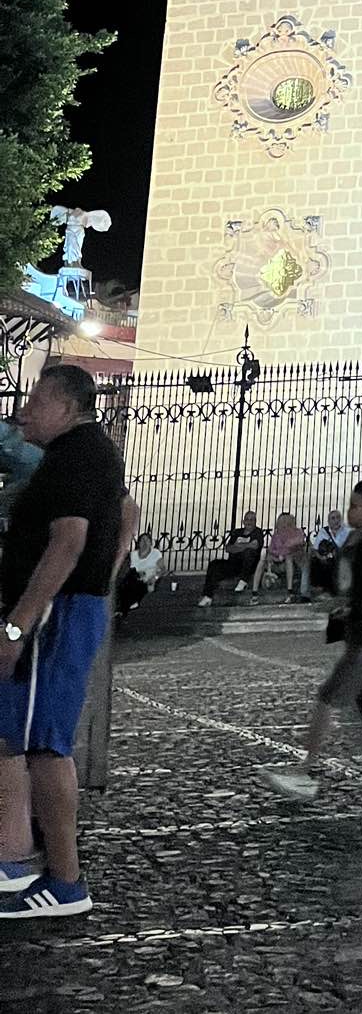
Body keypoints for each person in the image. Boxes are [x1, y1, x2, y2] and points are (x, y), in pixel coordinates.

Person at [1, 362, 136, 920]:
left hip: (53, 616)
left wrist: (18, 624)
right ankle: (23, 862)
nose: (23, 409)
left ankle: (65, 881)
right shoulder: (82, 454)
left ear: (64, 405)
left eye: (35, 398)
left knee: (45, 746)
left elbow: (69, 542)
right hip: (60, 609)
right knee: (19, 734)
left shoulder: (75, 457)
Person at [262, 477, 362, 801]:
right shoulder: (355, 542)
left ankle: (305, 773)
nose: (350, 511)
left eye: (356, 506)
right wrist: (305, 558)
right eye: (350, 505)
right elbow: (338, 580)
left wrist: (350, 610)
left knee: (327, 697)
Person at [197, 510, 265, 606]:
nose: (249, 522)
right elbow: (229, 548)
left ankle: (244, 580)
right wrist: (245, 546)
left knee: (249, 553)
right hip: (234, 563)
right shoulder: (237, 532)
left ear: (255, 521)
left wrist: (238, 547)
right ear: (243, 521)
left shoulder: (257, 532)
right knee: (214, 564)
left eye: (252, 520)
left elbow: (255, 546)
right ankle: (207, 596)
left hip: (249, 566)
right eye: (247, 519)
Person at [115, 533, 163, 624]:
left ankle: (122, 611)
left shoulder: (155, 553)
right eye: (142, 540)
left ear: (151, 543)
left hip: (149, 578)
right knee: (129, 582)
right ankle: (122, 610)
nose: (145, 543)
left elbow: (162, 569)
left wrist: (155, 577)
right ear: (138, 543)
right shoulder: (133, 555)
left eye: (147, 540)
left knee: (133, 585)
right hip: (135, 577)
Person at [261, 511, 309, 599]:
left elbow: (296, 543)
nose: (285, 524)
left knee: (289, 558)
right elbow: (271, 549)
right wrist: (278, 556)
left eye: (287, 522)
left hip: (294, 560)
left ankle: (291, 589)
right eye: (282, 522)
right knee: (263, 559)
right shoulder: (276, 535)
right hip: (278, 560)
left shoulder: (298, 532)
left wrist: (283, 552)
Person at [308, 510, 350, 595]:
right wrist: (321, 557)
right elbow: (315, 549)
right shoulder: (323, 532)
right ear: (329, 521)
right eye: (333, 518)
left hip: (342, 558)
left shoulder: (347, 531)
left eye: (338, 518)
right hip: (327, 558)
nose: (336, 520)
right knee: (316, 562)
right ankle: (319, 588)